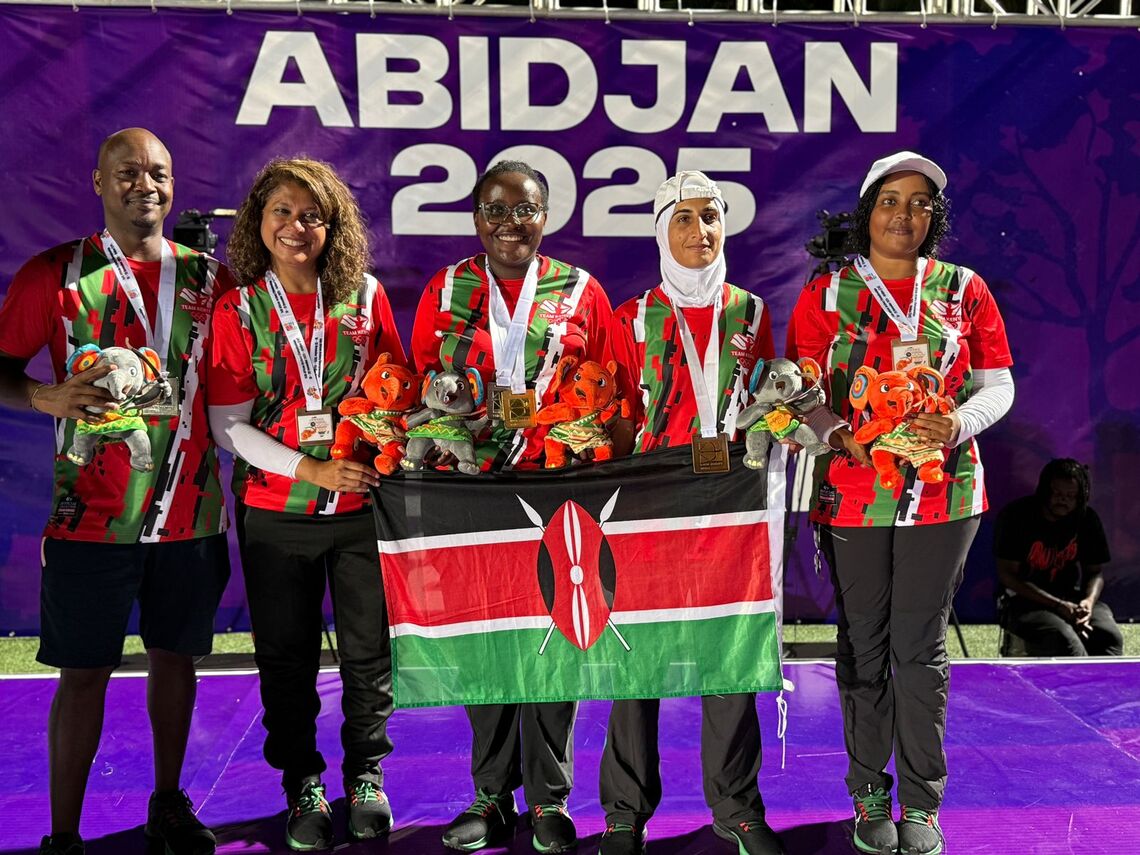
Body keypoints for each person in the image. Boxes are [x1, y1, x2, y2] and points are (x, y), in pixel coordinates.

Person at [0, 129, 230, 855]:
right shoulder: (56, 273)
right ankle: (63, 834)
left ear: (174, 183)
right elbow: (2, 367)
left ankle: (167, 802)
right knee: (84, 672)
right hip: (89, 518)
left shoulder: (209, 280)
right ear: (98, 181)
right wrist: (44, 397)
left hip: (190, 511)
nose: (145, 184)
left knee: (176, 660)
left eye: (157, 172)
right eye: (127, 172)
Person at [787, 151, 1015, 855]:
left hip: (945, 495)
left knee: (919, 647)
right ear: (866, 212)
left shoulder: (963, 288)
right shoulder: (825, 294)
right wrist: (831, 429)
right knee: (863, 644)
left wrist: (958, 423)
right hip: (853, 495)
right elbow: (801, 393)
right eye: (890, 200)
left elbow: (997, 385)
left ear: (933, 217)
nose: (904, 215)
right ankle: (866, 792)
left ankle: (922, 799)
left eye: (920, 203)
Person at [410, 160, 618, 853]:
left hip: (557, 487)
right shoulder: (446, 290)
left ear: (546, 215)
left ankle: (550, 800)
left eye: (523, 209)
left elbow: (613, 392)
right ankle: (491, 795)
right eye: (495, 210)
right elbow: (418, 386)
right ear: (476, 218)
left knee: (557, 637)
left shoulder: (581, 291)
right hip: (471, 490)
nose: (509, 223)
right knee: (487, 642)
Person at [206, 158, 405, 851]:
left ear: (333, 225)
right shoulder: (238, 309)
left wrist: (390, 431)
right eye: (281, 212)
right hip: (277, 513)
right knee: (286, 660)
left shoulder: (365, 296)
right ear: (257, 224)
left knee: (368, 654)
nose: (297, 226)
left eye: (312, 214)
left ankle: (368, 773)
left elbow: (395, 390)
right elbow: (227, 425)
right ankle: (303, 783)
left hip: (359, 512)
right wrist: (310, 467)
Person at [600, 171, 784, 855]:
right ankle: (624, 810)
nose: (699, 231)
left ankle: (736, 807)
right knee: (635, 664)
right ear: (660, 233)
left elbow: (767, 407)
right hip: (648, 507)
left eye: (710, 217)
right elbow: (618, 422)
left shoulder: (753, 312)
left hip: (727, 508)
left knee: (729, 661)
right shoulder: (631, 317)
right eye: (683, 219)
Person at [995, 458, 1124, 657]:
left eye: (1070, 495)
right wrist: (1058, 606)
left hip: (1070, 596)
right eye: (1057, 493)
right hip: (1022, 600)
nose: (1062, 500)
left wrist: (1088, 603)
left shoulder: (1087, 519)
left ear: (1080, 497)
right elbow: (1008, 576)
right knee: (1066, 641)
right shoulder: (1017, 516)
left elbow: (1095, 572)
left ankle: (1107, 688)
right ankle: (1077, 688)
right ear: (1044, 491)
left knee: (1109, 636)